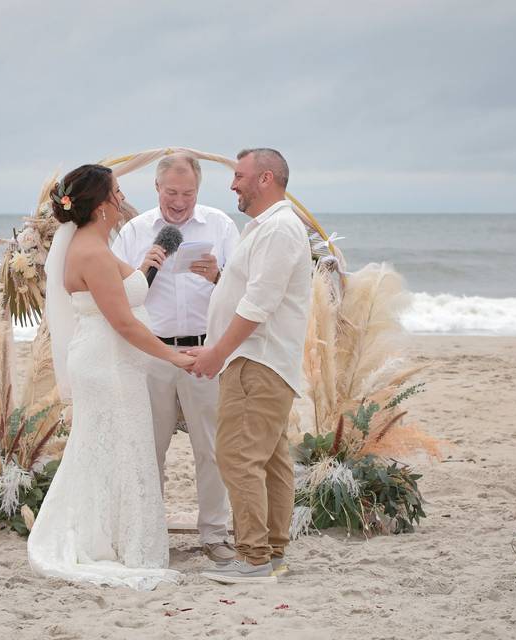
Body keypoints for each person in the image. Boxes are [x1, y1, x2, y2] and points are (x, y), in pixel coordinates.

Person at [26, 164, 194, 590]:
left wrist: (146, 266)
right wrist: (174, 357)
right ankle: (120, 545)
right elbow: (124, 322)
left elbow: (125, 289)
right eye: (117, 192)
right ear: (102, 204)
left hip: (111, 363)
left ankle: (113, 536)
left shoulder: (96, 244)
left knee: (113, 452)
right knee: (122, 453)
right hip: (109, 366)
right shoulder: (92, 251)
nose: (123, 198)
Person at [187, 149, 311, 584]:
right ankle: (272, 552)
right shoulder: (265, 229)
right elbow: (255, 290)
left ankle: (254, 558)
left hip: (254, 361)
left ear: (266, 178)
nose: (233, 184)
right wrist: (221, 280)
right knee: (271, 461)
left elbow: (260, 305)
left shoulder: (278, 229)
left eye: (240, 176)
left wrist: (217, 352)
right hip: (262, 361)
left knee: (237, 456)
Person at [111, 153, 238, 563]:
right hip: (152, 350)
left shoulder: (220, 225)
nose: (179, 201)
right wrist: (141, 269)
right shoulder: (133, 231)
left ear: (198, 190)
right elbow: (111, 295)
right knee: (150, 446)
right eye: (171, 192)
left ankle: (215, 534)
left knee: (212, 446)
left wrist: (217, 276)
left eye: (187, 193)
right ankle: (149, 532)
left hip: (206, 349)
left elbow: (245, 292)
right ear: (157, 189)